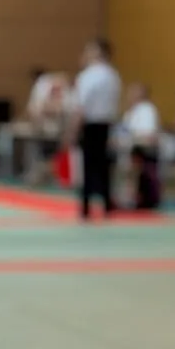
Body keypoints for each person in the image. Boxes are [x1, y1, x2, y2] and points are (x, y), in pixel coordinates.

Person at [70, 38, 121, 219]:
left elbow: (80, 107)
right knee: (103, 166)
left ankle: (85, 206)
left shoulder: (88, 75)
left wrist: (72, 131)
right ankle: (106, 204)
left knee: (87, 166)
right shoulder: (113, 75)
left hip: (90, 124)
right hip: (106, 125)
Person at [120, 83, 162, 210]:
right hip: (128, 147)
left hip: (142, 150)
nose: (130, 96)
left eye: (133, 92)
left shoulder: (147, 110)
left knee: (134, 161)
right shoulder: (130, 112)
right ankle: (124, 197)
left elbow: (149, 136)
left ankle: (134, 197)